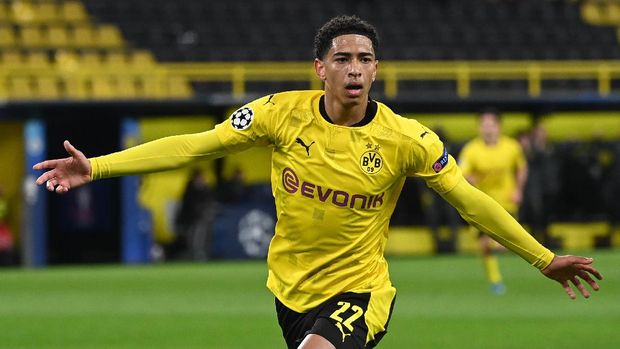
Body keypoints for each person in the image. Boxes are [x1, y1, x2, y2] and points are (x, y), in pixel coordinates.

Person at [33, 15, 602, 349]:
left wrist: (541, 258)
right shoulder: (280, 113)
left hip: (360, 292)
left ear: (376, 70)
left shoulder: (407, 139)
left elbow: (472, 202)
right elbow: (193, 145)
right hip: (289, 291)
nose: (355, 68)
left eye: (366, 59)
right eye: (343, 57)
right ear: (320, 68)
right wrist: (99, 166)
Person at [459, 108, 528, 294]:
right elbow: (461, 172)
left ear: (499, 126)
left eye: (490, 124)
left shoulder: (512, 147)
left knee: (506, 243)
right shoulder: (471, 149)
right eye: (483, 125)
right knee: (485, 245)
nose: (487, 128)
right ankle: (496, 281)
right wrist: (469, 179)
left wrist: (518, 190)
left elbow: (521, 168)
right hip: (482, 204)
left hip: (507, 202)